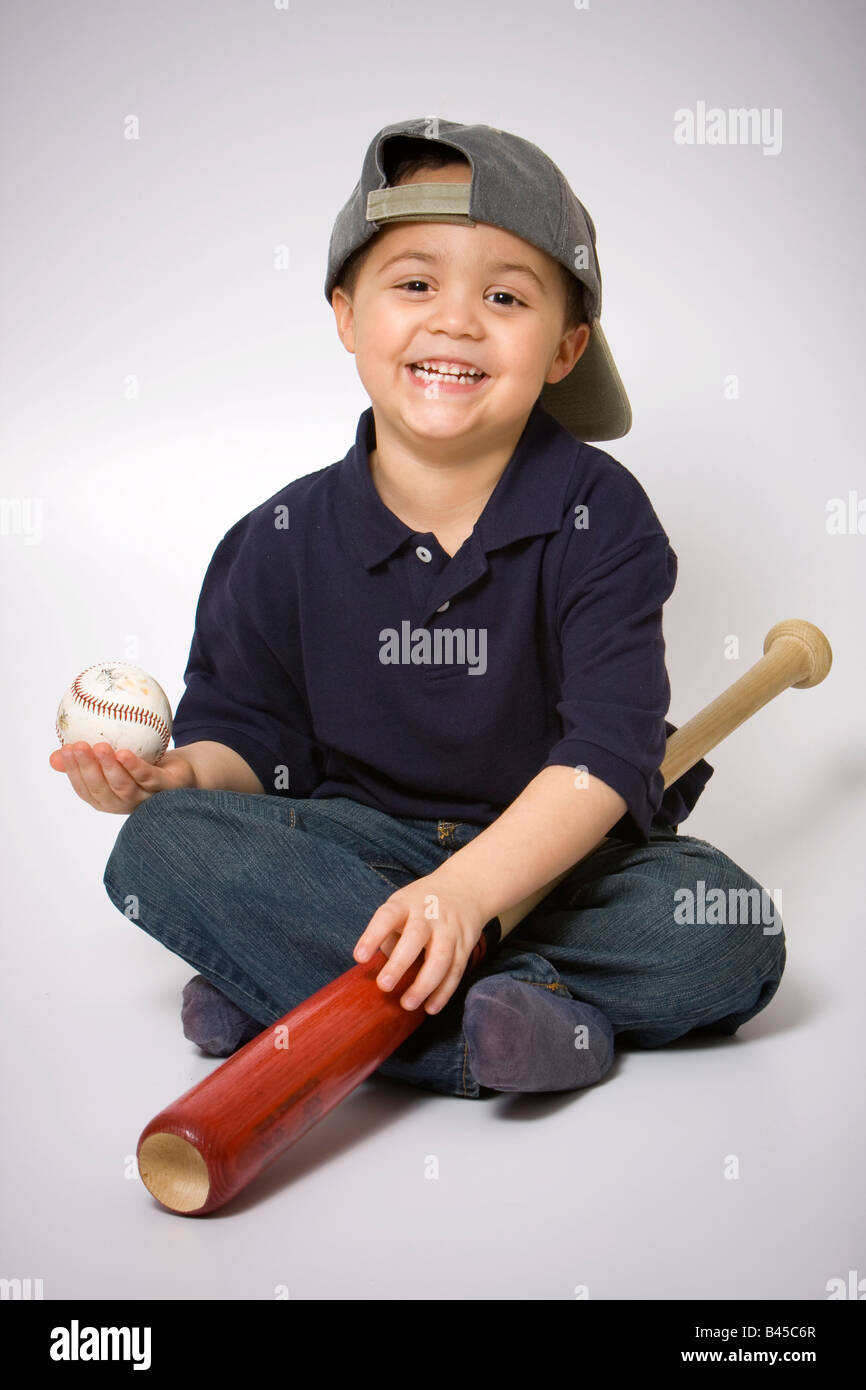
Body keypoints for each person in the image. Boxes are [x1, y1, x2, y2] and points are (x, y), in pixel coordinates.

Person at [48, 117, 785, 1099]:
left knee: (727, 928)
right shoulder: (277, 539)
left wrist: (468, 892)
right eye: (413, 283)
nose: (454, 320)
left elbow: (604, 755)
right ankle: (512, 1026)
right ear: (346, 314)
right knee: (161, 844)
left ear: (564, 347)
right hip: (359, 851)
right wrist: (176, 775)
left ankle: (301, 998)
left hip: (551, 868)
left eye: (503, 295)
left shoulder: (599, 518)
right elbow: (250, 738)